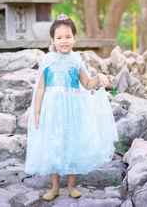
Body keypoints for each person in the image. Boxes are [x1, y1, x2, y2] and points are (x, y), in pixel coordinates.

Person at [24, 13, 119, 201]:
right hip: (51, 108)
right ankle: (54, 188)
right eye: (59, 38)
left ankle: (71, 186)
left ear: (75, 39)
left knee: (72, 144)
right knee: (53, 144)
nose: (64, 41)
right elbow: (41, 88)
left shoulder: (77, 61)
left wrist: (98, 77)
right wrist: (37, 111)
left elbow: (87, 84)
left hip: (73, 109)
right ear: (53, 40)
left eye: (68, 37)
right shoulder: (47, 61)